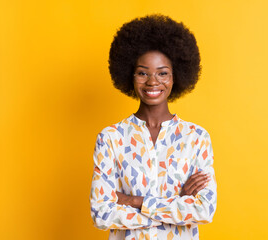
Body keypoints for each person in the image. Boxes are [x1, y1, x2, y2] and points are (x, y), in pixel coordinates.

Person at [90, 14, 217, 240]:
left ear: (175, 76)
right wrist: (178, 202)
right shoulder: (110, 138)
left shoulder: (196, 138)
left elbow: (204, 210)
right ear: (130, 75)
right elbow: (101, 214)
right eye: (142, 73)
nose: (152, 81)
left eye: (162, 73)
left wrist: (133, 201)